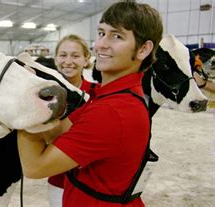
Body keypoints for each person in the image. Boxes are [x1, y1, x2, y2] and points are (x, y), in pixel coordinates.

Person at [17, 1, 163, 206]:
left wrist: (25, 102)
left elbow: (35, 167)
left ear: (143, 49)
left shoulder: (112, 111)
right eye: (102, 33)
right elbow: (68, 135)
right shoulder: (116, 96)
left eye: (117, 36)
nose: (101, 44)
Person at [47, 34, 99, 207]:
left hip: (92, 183)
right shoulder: (45, 94)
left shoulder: (99, 93)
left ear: (86, 59)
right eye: (63, 55)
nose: (68, 61)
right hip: (59, 182)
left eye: (75, 56)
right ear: (55, 59)